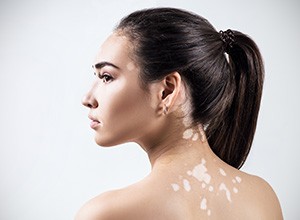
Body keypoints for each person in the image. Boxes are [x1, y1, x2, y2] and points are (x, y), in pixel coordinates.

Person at [76, 7, 283, 220]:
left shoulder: (106, 214)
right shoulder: (262, 197)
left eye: (107, 77)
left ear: (167, 90)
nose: (87, 99)